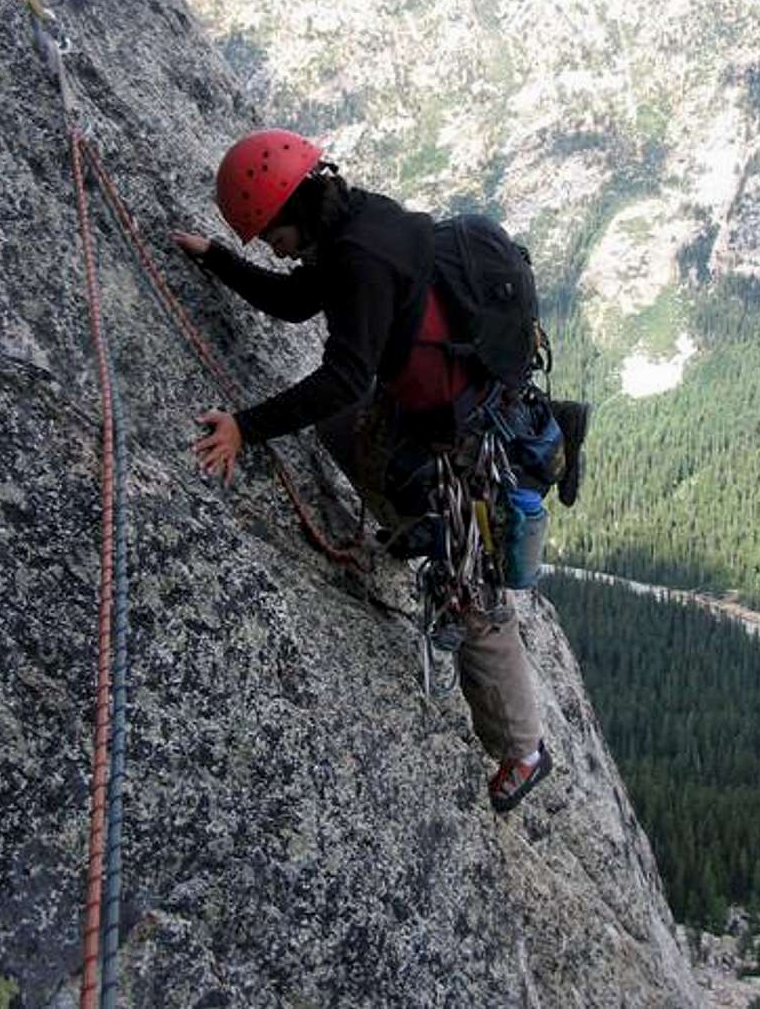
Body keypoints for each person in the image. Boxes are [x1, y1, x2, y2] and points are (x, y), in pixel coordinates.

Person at [173, 128, 588, 813]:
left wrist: (245, 427)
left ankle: (523, 750)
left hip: (464, 440)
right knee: (345, 430)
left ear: (292, 207)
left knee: (475, 599)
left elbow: (341, 378)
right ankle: (411, 525)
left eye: (266, 234)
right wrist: (217, 259)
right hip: (438, 404)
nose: (268, 246)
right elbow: (299, 301)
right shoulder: (357, 223)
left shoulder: (359, 256)